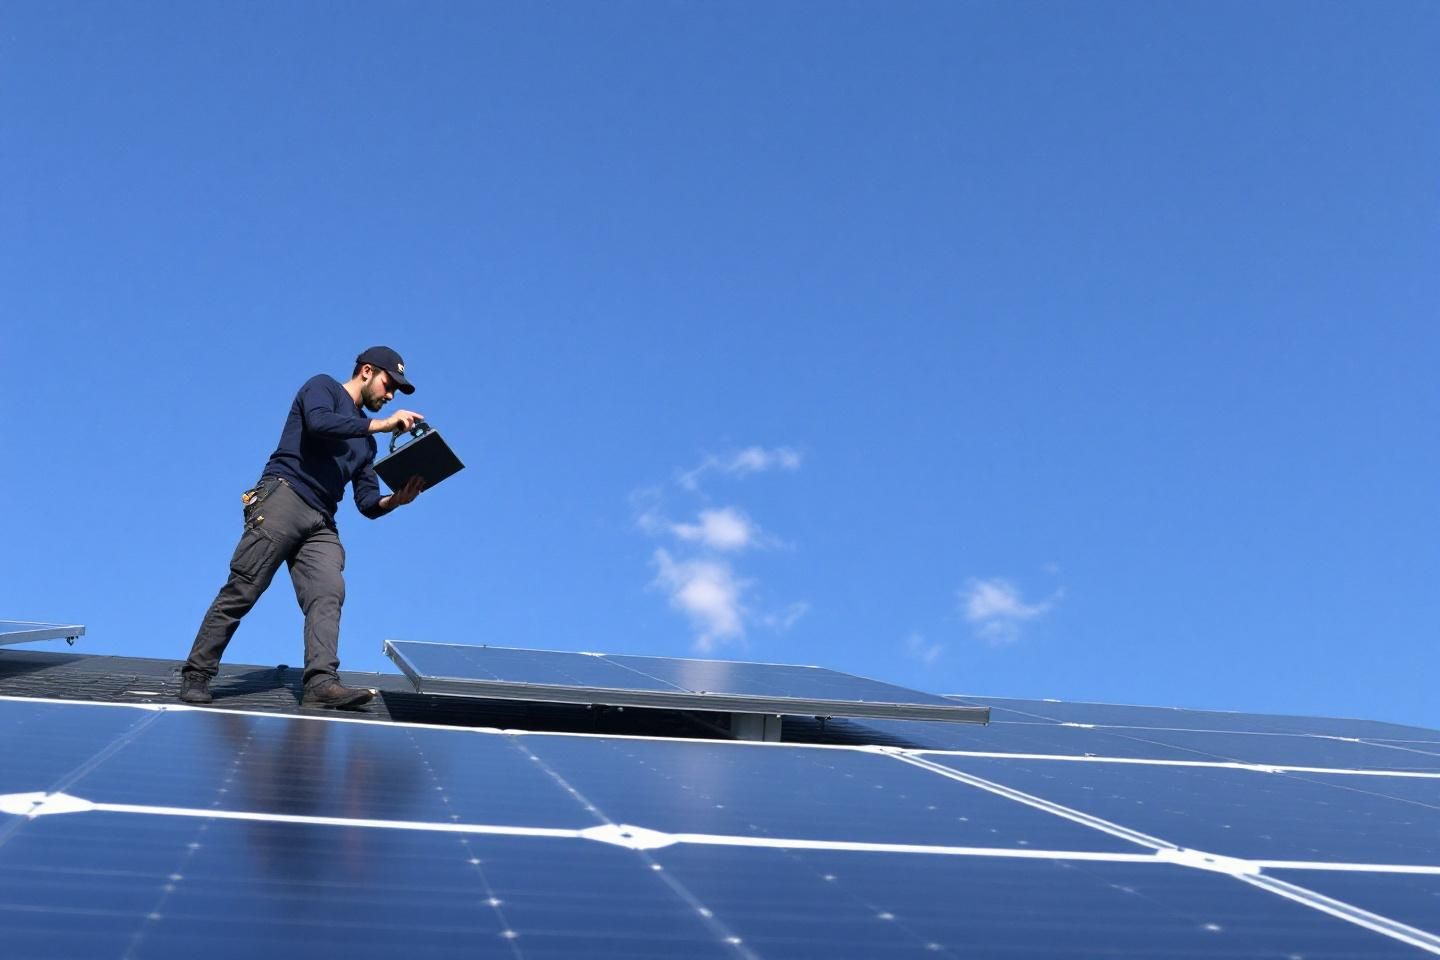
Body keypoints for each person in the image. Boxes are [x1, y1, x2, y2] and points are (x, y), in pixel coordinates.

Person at [179, 346, 426, 709]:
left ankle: (321, 683)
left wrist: (396, 500)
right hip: (285, 495)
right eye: (389, 385)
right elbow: (320, 424)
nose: (389, 396)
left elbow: (367, 502)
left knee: (328, 591)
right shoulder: (322, 387)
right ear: (367, 371)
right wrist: (385, 424)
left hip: (321, 520)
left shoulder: (367, 443)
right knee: (245, 587)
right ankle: (197, 672)